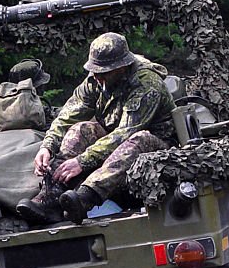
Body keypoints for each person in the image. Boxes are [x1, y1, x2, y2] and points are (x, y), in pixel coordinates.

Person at [16, 32, 176, 225]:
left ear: (122, 67)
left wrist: (82, 161)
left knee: (140, 138)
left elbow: (126, 132)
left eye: (105, 72)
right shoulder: (97, 79)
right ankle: (52, 197)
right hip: (114, 142)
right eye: (96, 71)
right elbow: (69, 114)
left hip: (157, 148)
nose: (98, 77)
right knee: (82, 128)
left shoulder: (147, 84)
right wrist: (47, 147)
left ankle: (86, 197)